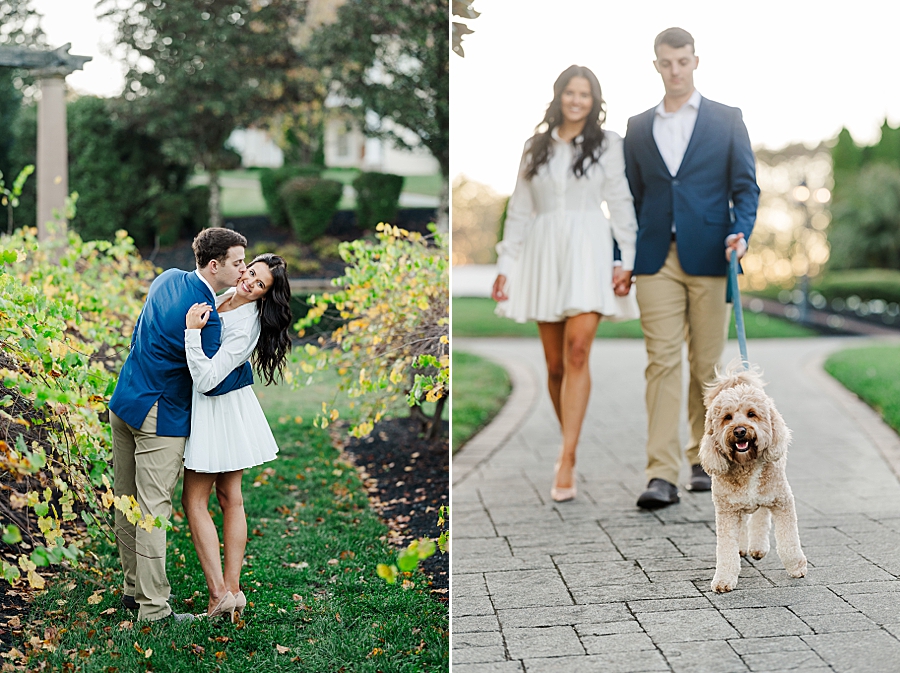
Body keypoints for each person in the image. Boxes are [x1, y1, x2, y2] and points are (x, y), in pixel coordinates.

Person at [622, 27, 760, 509]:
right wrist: (625, 254)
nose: (675, 70)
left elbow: (746, 188)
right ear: (656, 65)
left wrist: (741, 233)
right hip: (656, 257)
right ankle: (661, 474)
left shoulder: (726, 119)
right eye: (666, 62)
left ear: (695, 61)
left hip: (712, 257)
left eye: (682, 61)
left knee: (707, 368)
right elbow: (632, 198)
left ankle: (704, 461)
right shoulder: (637, 127)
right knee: (661, 362)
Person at [491, 65, 639, 502]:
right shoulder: (533, 146)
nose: (577, 100)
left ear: (594, 101)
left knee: (578, 351)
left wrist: (625, 258)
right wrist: (506, 264)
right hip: (542, 252)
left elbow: (621, 201)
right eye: (571, 92)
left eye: (585, 94)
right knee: (554, 366)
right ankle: (569, 438)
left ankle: (567, 457)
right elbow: (519, 210)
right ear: (559, 96)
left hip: (590, 249)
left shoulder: (608, 144)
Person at [109, 227, 252, 622]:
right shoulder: (206, 320)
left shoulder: (166, 278)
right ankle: (153, 610)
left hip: (124, 401)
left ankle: (133, 591)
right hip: (160, 416)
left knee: (127, 503)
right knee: (153, 510)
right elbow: (210, 379)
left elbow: (141, 331)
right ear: (214, 264)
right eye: (238, 262)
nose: (243, 270)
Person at [180, 253, 293, 620]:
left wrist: (192, 335)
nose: (249, 282)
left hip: (220, 408)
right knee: (230, 497)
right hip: (222, 405)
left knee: (199, 500)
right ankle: (232, 593)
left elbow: (208, 378)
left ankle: (222, 593)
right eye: (251, 272)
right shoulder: (219, 296)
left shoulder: (246, 325)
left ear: (264, 296)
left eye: (259, 284)